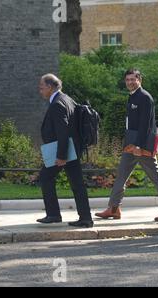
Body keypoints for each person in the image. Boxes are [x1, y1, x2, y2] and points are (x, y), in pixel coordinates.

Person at [95, 69, 158, 221]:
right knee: (121, 176)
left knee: (156, 178)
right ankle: (113, 208)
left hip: (141, 146)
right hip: (130, 144)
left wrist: (139, 146)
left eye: (133, 79)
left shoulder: (145, 97)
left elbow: (146, 124)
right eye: (127, 80)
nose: (130, 82)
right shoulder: (132, 97)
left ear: (140, 80)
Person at [37, 74, 93, 228]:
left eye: (41, 88)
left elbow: (63, 132)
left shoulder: (57, 104)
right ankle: (85, 218)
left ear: (50, 87)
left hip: (64, 151)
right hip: (71, 149)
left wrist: (61, 156)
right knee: (77, 183)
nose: (40, 91)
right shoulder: (67, 99)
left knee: (45, 177)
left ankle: (54, 214)